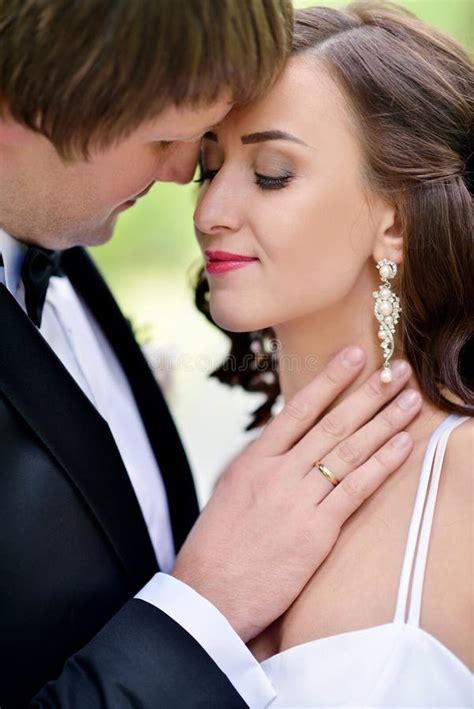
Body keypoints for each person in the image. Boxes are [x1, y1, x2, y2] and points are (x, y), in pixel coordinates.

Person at [0, 2, 423, 707]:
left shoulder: (62, 241)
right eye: (186, 147)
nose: (193, 196)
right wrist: (204, 610)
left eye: (272, 172)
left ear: (399, 218)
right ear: (20, 114)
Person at [194, 2, 473, 705]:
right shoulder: (241, 483)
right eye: (208, 165)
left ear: (397, 222)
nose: (209, 212)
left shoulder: (465, 478)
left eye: (272, 173)